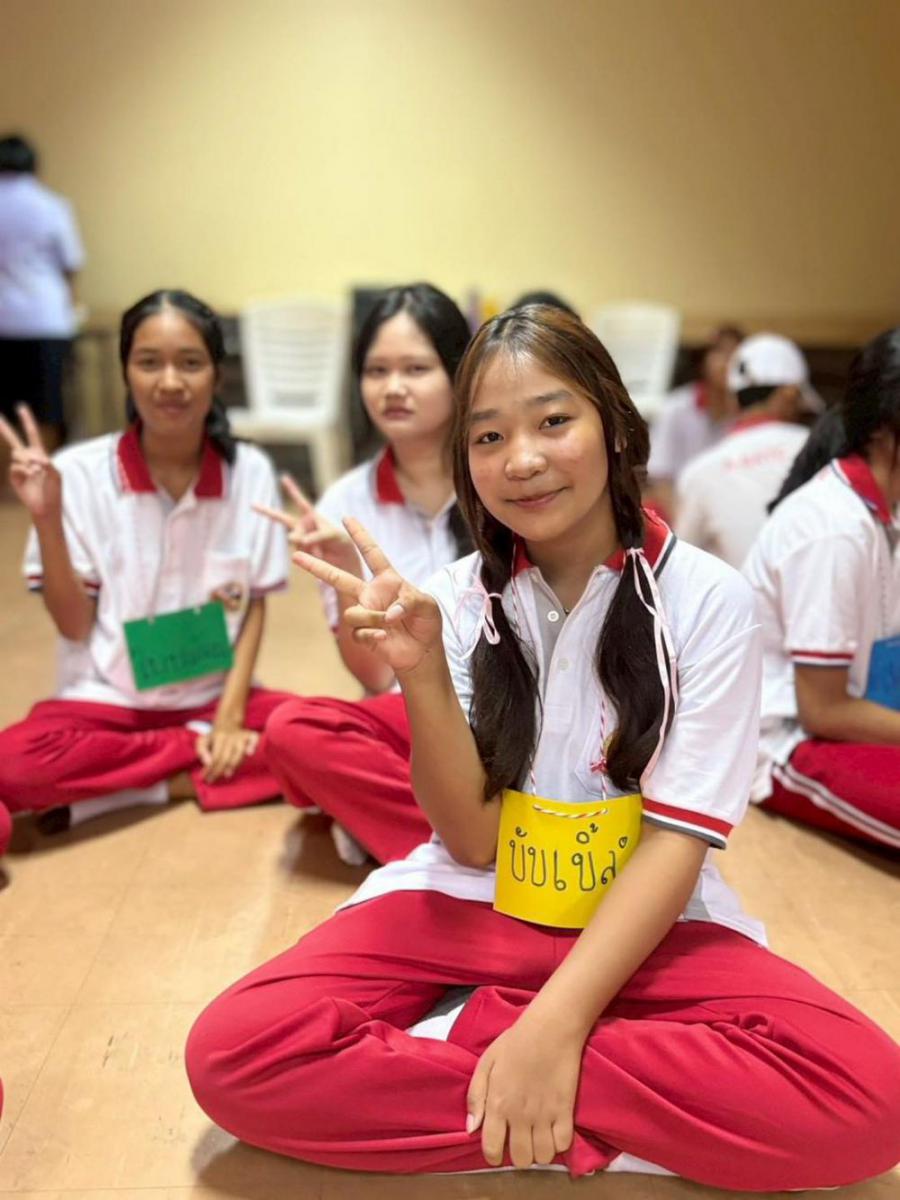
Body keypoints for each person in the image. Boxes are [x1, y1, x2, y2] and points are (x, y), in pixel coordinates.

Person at [186, 307, 900, 1189]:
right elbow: (470, 841)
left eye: (553, 421)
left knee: (868, 1103)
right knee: (231, 1054)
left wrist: (552, 1030)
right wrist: (421, 674)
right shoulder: (454, 596)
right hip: (476, 903)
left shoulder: (709, 599)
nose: (521, 459)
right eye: (489, 436)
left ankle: (488, 1059)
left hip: (644, 921)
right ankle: (566, 1103)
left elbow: (674, 844)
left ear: (615, 425)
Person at [0, 289, 293, 840]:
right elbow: (74, 626)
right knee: (14, 765)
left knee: (315, 735)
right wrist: (46, 518)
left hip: (217, 697)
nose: (170, 382)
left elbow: (253, 605)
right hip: (108, 704)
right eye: (149, 362)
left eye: (191, 363)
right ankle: (195, 766)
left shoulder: (249, 471)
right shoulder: (78, 473)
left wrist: (229, 718)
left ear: (217, 374)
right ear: (125, 372)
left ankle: (128, 789)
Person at [258, 283, 472, 865]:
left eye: (416, 369)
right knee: (293, 731)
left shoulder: (499, 476)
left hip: (508, 710)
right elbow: (376, 677)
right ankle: (475, 848)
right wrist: (348, 570)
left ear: (460, 374)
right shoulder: (344, 503)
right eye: (376, 371)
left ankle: (412, 835)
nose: (392, 387)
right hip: (407, 713)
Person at [743, 328, 900, 848]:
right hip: (786, 744)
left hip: (850, 717)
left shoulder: (879, 513)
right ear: (885, 428)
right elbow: (823, 711)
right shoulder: (833, 527)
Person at [674, 334, 813, 568]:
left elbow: (680, 564)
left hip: (738, 590)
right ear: (790, 394)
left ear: (733, 400)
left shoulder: (699, 472)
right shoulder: (822, 450)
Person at [0, 134, 85, 476]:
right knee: (48, 405)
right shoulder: (51, 205)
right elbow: (71, 263)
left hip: (2, 320)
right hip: (45, 319)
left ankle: (8, 479)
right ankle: (43, 473)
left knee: (4, 409)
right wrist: (72, 307)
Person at [645, 324, 743, 517]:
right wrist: (684, 523)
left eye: (737, 354)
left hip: (728, 508)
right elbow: (661, 477)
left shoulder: (746, 413)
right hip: (677, 505)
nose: (729, 362)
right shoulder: (675, 408)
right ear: (703, 361)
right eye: (721, 353)